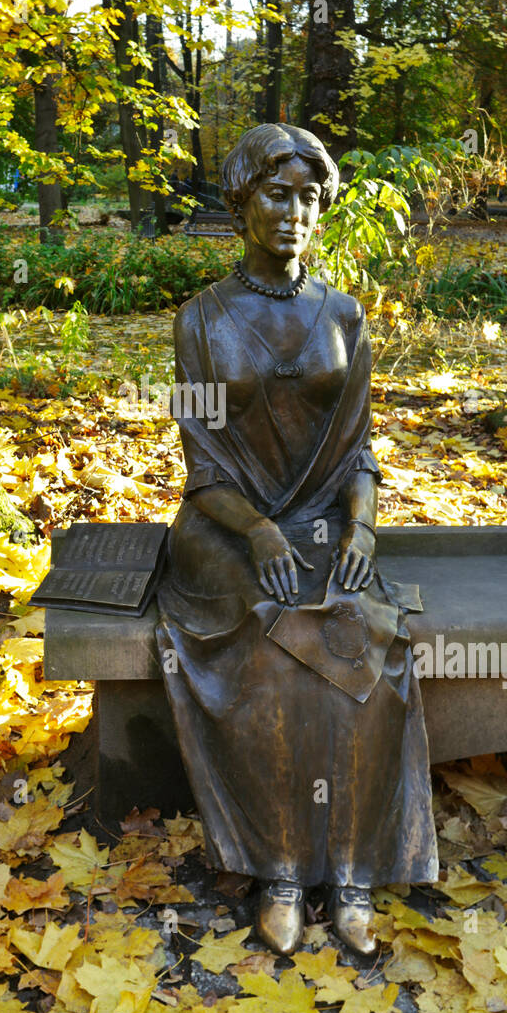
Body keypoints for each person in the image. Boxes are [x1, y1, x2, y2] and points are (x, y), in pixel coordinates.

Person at [156, 123, 438, 956]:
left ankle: (352, 870)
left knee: (357, 630)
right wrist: (261, 532)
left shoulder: (343, 313)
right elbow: (202, 469)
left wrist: (364, 526)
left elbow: (359, 453)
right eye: (277, 193)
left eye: (310, 198)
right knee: (275, 635)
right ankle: (280, 867)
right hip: (224, 529)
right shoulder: (200, 320)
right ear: (242, 202)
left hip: (324, 520)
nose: (294, 212)